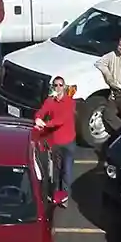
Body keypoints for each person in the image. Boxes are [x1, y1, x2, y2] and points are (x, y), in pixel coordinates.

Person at [32, 76, 76, 206]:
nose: (58, 87)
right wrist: (37, 119)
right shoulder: (50, 101)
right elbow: (41, 112)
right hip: (55, 143)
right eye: (55, 85)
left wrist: (45, 124)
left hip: (68, 142)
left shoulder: (69, 102)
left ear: (64, 86)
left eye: (60, 85)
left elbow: (61, 120)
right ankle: (56, 194)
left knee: (66, 172)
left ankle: (65, 197)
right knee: (55, 172)